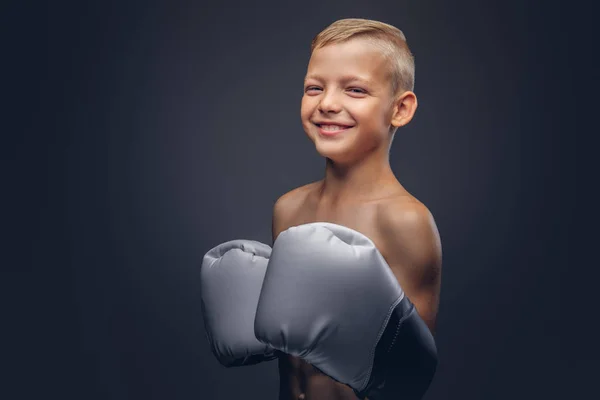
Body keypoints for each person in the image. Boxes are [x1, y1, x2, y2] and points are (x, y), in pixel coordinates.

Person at [200, 18, 442, 400]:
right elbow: (292, 349)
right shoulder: (289, 209)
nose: (327, 103)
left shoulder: (404, 220)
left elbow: (410, 377)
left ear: (400, 109)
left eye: (355, 90)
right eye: (314, 88)